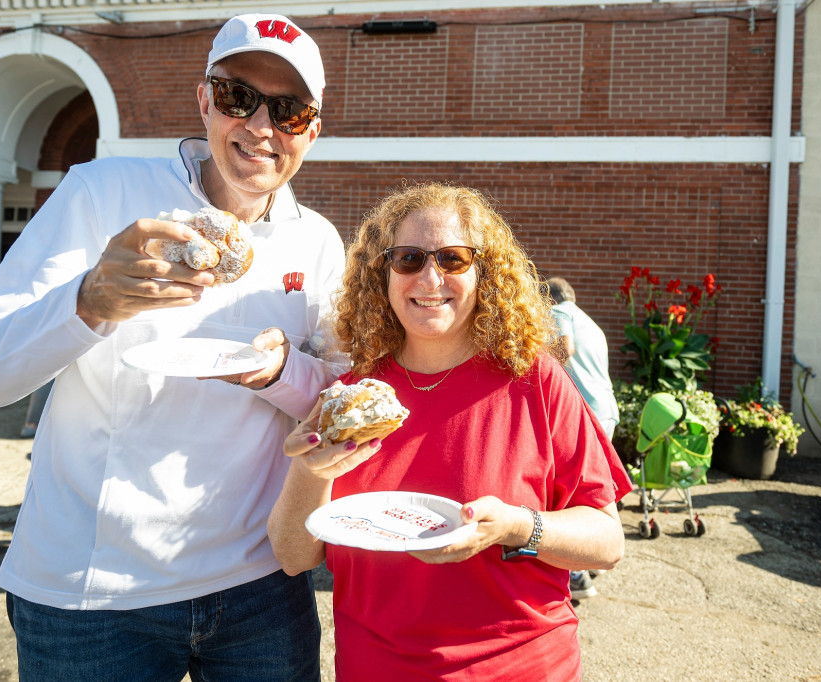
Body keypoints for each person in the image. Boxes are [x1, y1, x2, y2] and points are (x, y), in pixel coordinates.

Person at [0, 13, 344, 681]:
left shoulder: (318, 241)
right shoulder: (102, 193)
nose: (258, 126)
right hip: (91, 595)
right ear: (203, 101)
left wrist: (280, 370)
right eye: (236, 97)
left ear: (312, 130)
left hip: (260, 590)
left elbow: (333, 396)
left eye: (288, 110)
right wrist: (87, 301)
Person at [268, 183, 632, 680]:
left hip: (520, 667)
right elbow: (293, 556)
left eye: (454, 259)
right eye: (410, 258)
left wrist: (517, 527)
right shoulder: (355, 398)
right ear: (383, 274)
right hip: (377, 668)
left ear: (486, 274)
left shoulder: (534, 380)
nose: (430, 276)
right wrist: (310, 471)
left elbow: (608, 541)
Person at [547, 275, 621, 601]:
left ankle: (578, 577)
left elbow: (564, 347)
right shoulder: (591, 321)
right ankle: (587, 568)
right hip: (607, 408)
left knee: (571, 496)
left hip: (584, 410)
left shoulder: (560, 313)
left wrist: (538, 365)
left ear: (549, 300)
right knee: (593, 492)